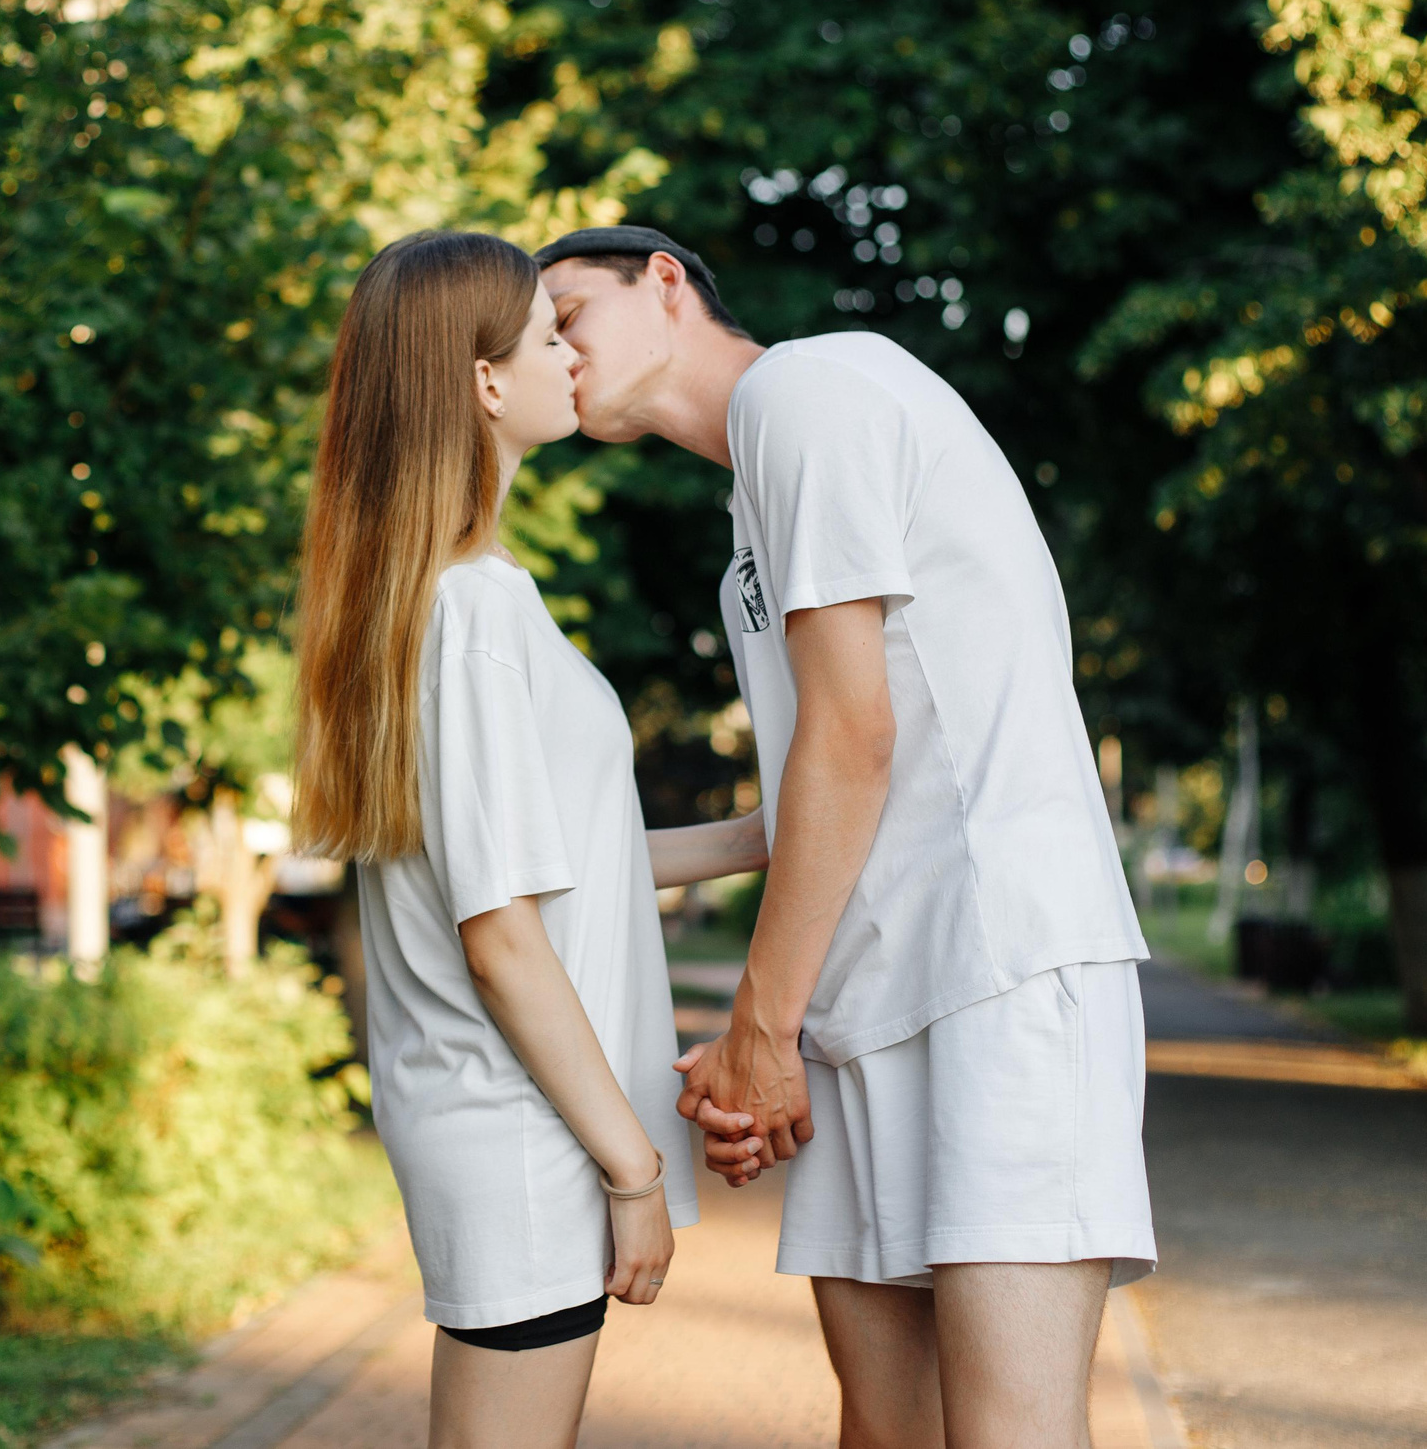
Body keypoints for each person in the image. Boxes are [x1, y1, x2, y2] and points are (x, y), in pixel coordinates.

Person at [535, 225, 1156, 1449]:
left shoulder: (807, 389)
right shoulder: (746, 545)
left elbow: (851, 741)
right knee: (883, 1434)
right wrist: (527, 867)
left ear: (664, 281)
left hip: (998, 973)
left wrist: (758, 1031)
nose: (553, 352)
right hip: (865, 1010)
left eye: (567, 312)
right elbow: (799, 809)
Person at [291, 230, 769, 1449]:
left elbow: (566, 869)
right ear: (485, 382)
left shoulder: (444, 597)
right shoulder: (477, 609)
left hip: (498, 1119)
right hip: (522, 1132)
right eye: (547, 333)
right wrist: (634, 1172)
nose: (572, 357)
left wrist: (762, 837)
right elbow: (501, 936)